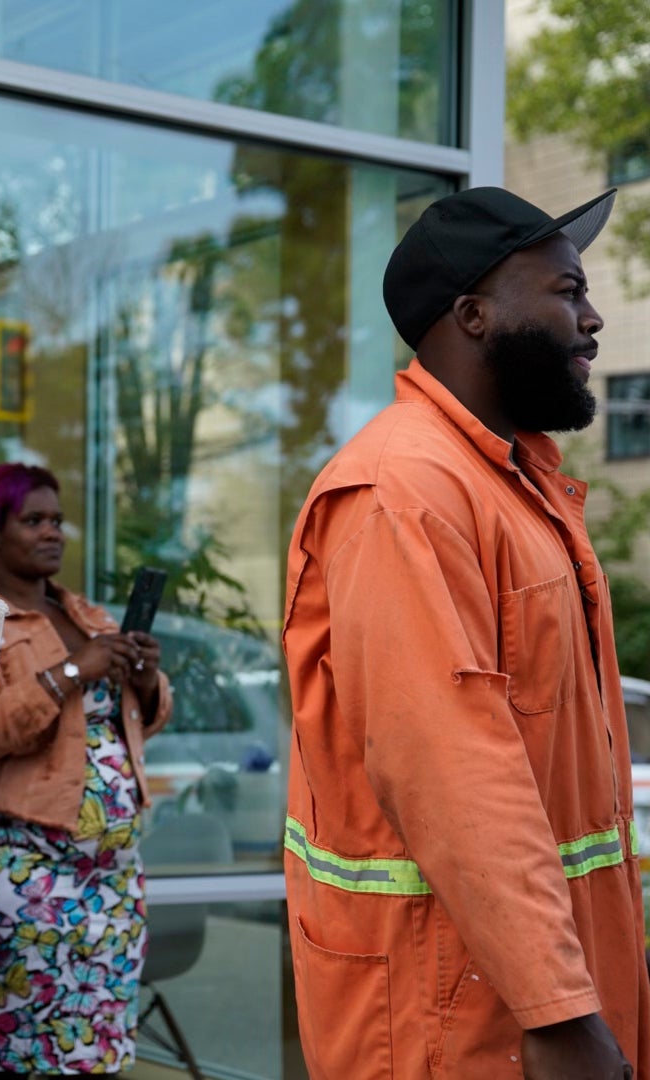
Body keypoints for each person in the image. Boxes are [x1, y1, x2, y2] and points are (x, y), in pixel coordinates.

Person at [282, 186, 650, 1079]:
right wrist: (560, 1013)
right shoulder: (404, 490)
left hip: (518, 989)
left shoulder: (512, 485)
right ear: (474, 314)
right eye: (566, 290)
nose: (593, 318)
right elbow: (450, 767)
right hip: (450, 1006)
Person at [0, 463, 170, 1077]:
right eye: (34, 520)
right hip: (22, 875)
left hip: (111, 882)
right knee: (13, 1054)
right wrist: (73, 671)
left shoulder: (89, 614)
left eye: (58, 520)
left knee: (94, 1054)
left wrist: (146, 678)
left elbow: (140, 721)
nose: (53, 532)